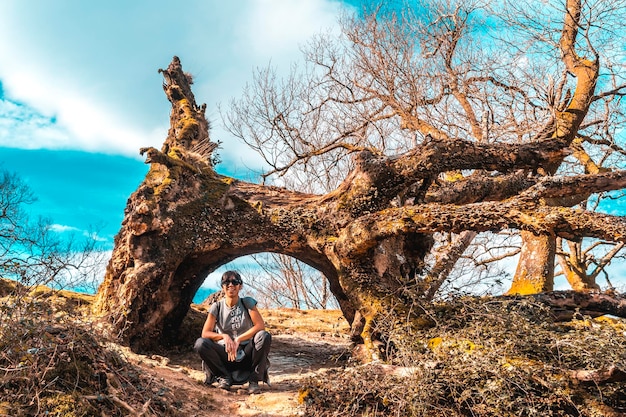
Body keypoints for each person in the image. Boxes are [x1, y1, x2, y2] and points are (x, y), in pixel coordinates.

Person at [194, 271, 271, 394]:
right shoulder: (216, 307)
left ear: (240, 286)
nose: (231, 285)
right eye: (226, 282)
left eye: (235, 282)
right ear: (222, 286)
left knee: (263, 336)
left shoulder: (248, 303)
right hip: (225, 354)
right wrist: (224, 337)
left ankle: (254, 381)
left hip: (247, 353)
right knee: (200, 343)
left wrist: (238, 339)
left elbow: (260, 326)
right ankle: (224, 377)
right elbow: (205, 333)